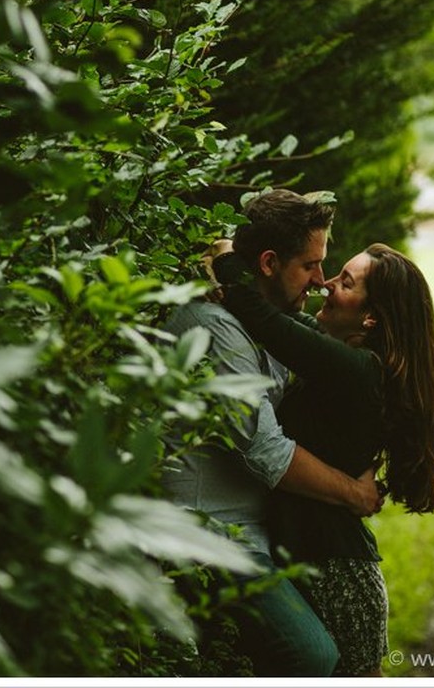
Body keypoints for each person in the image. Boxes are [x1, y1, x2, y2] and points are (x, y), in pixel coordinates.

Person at [159, 189, 382, 677]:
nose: (321, 281)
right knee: (312, 655)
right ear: (267, 263)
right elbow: (265, 451)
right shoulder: (215, 327)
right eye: (310, 266)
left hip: (257, 536)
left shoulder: (268, 323)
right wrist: (354, 494)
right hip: (207, 535)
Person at [208, 239, 434, 676]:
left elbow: (270, 323)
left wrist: (226, 258)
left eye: (345, 282)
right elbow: (288, 320)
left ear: (371, 316)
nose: (325, 284)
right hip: (321, 554)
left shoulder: (359, 371)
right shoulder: (359, 366)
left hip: (336, 570)